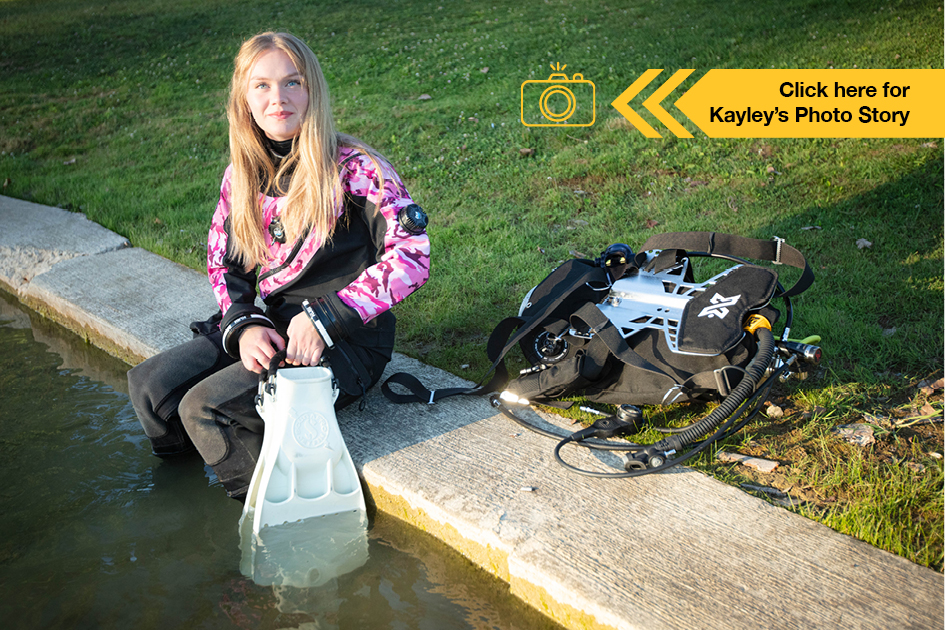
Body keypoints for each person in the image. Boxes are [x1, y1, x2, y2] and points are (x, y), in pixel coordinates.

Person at [127, 31, 430, 501]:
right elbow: (222, 262)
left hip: (344, 341)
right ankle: (186, 508)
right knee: (150, 390)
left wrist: (327, 318)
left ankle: (267, 521)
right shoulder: (242, 174)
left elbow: (412, 256)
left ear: (312, 90)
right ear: (244, 99)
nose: (278, 98)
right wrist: (245, 326)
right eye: (262, 86)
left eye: (292, 82)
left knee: (207, 409)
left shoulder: (357, 169)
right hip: (269, 325)